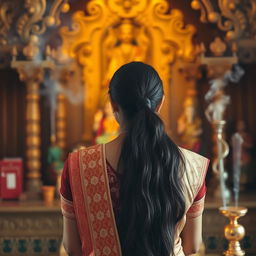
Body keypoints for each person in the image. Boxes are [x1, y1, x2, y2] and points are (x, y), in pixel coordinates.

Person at [60, 62, 209, 256]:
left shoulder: (78, 165)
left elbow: (72, 247)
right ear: (160, 102)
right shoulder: (192, 166)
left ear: (113, 104)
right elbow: (192, 246)